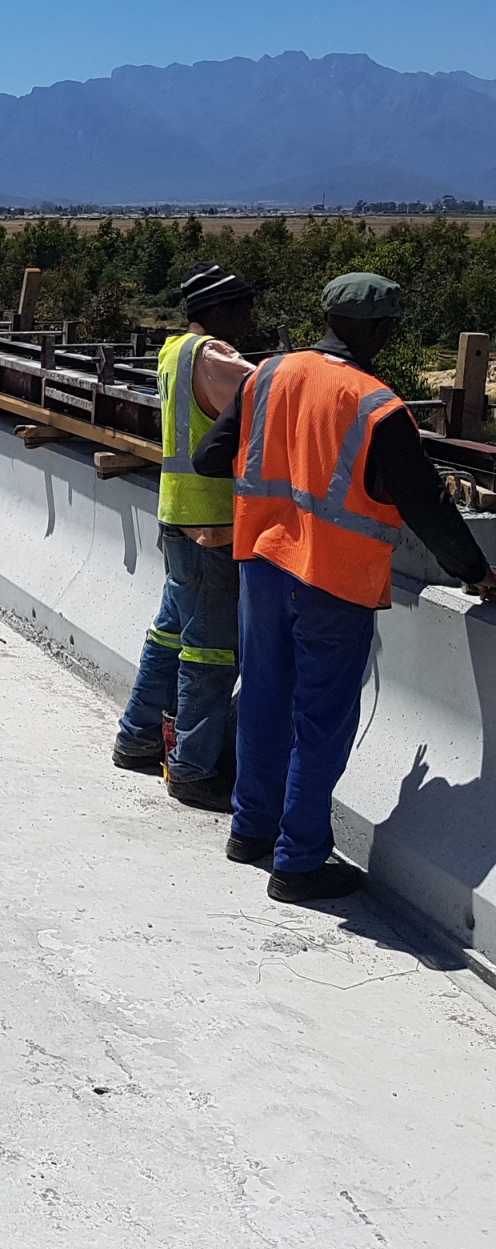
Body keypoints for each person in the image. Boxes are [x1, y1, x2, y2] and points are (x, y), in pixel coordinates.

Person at [195, 272, 496, 901]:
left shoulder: (267, 374)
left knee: (263, 699)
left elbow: (209, 457)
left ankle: (250, 832)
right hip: (333, 576)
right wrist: (478, 571)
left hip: (262, 563)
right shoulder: (378, 405)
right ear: (382, 330)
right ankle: (298, 862)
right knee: (323, 718)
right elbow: (427, 504)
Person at [113, 264, 257, 809]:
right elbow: (268, 398)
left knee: (171, 632)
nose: (249, 319)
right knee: (212, 651)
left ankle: (139, 736)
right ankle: (194, 768)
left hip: (177, 512)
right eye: (242, 308)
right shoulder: (216, 357)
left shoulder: (173, 352)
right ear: (217, 313)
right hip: (214, 526)